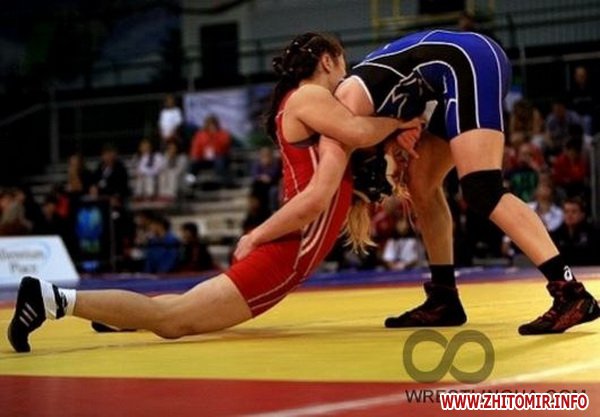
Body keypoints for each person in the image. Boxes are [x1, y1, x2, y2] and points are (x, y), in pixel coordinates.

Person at [7, 32, 412, 352]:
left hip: (292, 247)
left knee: (174, 309)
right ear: (327, 60)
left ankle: (119, 313)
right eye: (343, 64)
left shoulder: (305, 104)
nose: (346, 76)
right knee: (174, 321)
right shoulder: (311, 96)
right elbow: (325, 184)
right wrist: (401, 120)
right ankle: (50, 299)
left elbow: (343, 160)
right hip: (290, 248)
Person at [237, 30, 599, 335]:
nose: (385, 185)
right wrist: (400, 134)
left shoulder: (344, 99)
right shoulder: (366, 103)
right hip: (459, 69)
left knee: (482, 189)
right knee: (421, 183)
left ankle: (569, 292)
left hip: (467, 61)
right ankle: (444, 297)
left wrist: (259, 234)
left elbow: (358, 135)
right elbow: (407, 114)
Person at [551, 197, 600, 266]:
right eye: (566, 212)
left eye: (574, 212)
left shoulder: (594, 234)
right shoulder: (555, 235)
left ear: (582, 215)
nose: (569, 215)